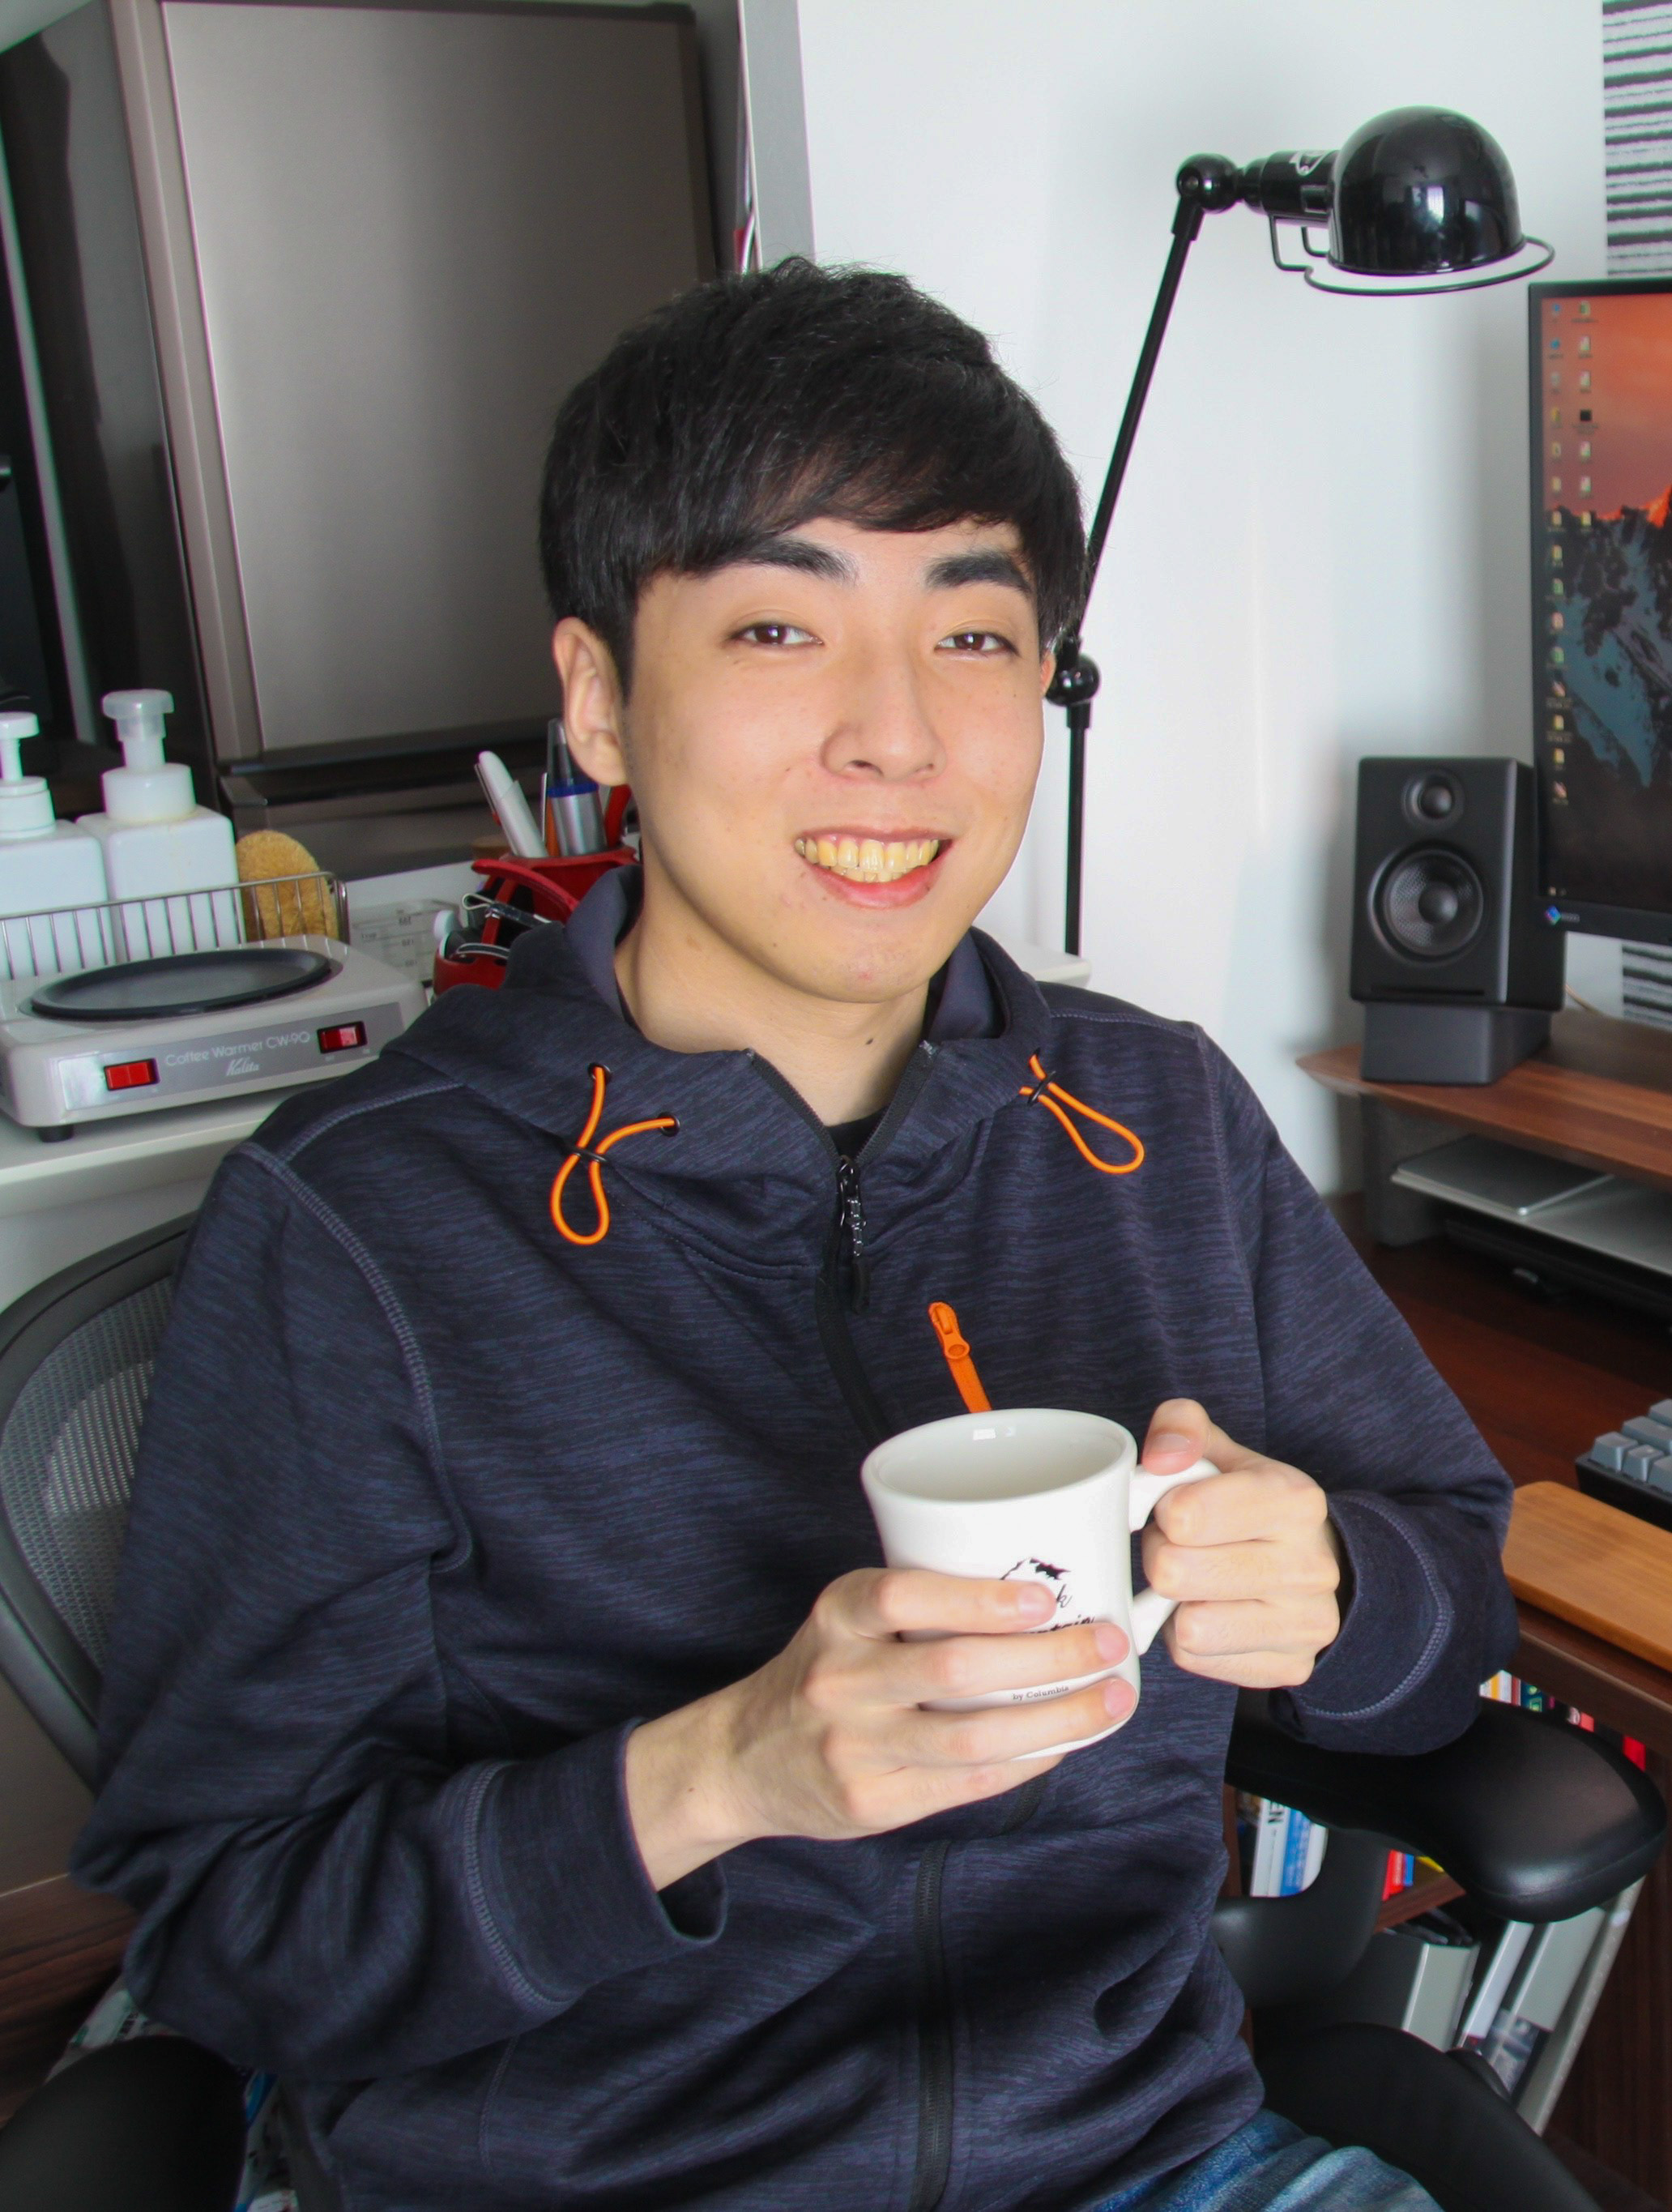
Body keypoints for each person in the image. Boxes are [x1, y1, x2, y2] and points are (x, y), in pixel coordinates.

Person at [70, 262, 1515, 2212]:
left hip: (1144, 2161)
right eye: (778, 625)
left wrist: (1337, 1586)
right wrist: (712, 1778)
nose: (897, 737)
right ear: (598, 697)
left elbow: (1450, 1581)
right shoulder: (365, 1223)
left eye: (975, 636)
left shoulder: (1158, 1122)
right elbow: (229, 1926)